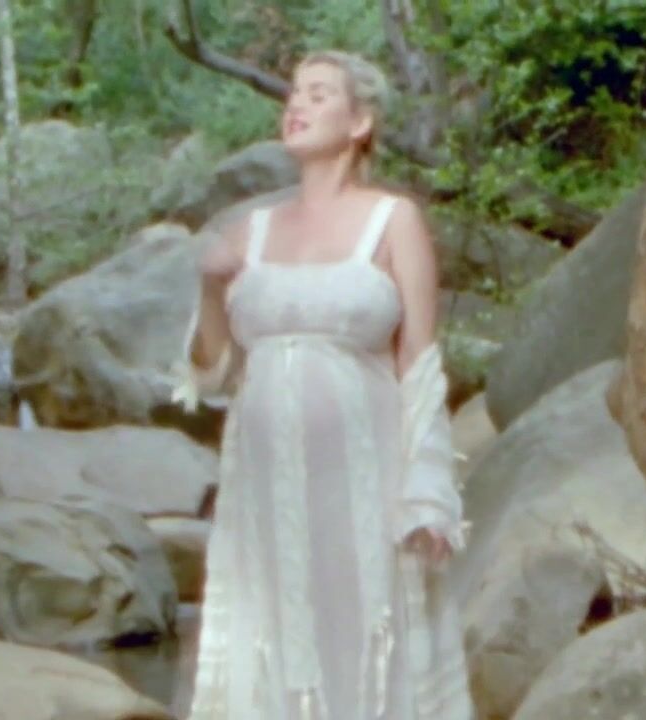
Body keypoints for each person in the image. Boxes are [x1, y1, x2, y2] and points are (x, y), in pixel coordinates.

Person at [171, 49, 474, 720]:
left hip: (364, 476)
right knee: (276, 632)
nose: (296, 105)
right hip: (265, 483)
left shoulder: (393, 219)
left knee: (366, 622)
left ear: (360, 122)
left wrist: (428, 489)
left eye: (317, 94)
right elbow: (212, 371)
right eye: (293, 94)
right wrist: (211, 286)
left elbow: (420, 362)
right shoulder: (249, 230)